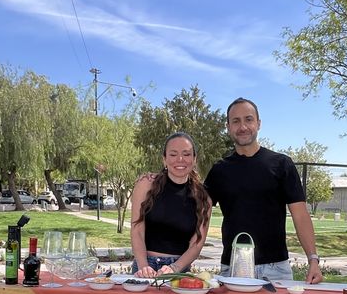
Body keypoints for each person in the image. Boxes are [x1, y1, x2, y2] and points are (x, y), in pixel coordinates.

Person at [205, 98, 324, 284]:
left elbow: (300, 215)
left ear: (258, 124)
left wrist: (313, 259)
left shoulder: (282, 164)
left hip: (276, 269)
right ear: (228, 127)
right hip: (232, 269)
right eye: (235, 121)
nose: (243, 126)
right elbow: (199, 215)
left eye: (248, 119)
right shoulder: (219, 170)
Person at [130, 132, 212, 277]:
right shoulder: (146, 184)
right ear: (164, 159)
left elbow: (197, 243)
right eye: (173, 154)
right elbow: (137, 230)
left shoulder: (203, 197)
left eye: (186, 154)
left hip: (179, 270)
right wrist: (143, 266)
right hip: (144, 266)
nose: (180, 159)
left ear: (194, 159)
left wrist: (175, 267)